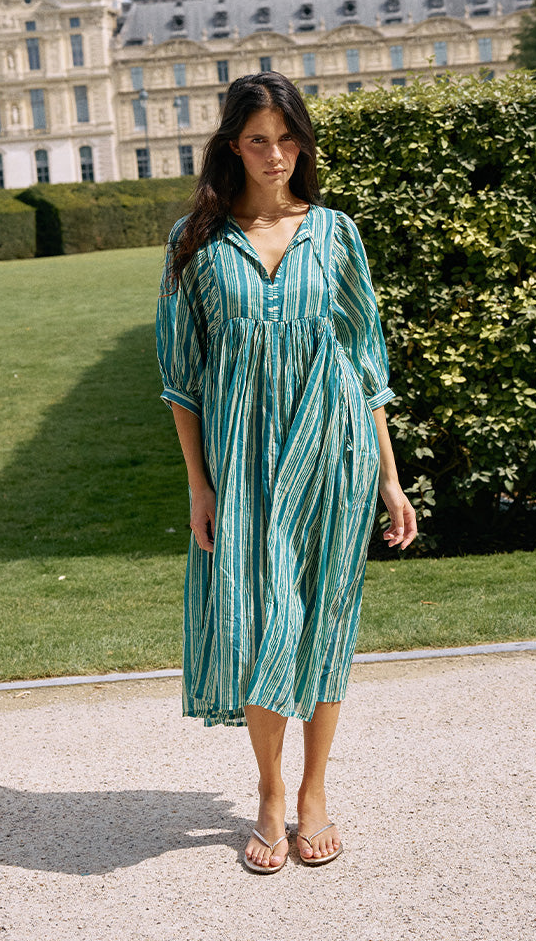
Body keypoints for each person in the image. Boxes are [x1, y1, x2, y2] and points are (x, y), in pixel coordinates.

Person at [156, 71, 417, 874]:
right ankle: (268, 791)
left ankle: (313, 796)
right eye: (259, 139)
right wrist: (199, 485)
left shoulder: (334, 232)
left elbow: (362, 357)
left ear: (302, 144)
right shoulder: (193, 242)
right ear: (233, 146)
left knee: (323, 621)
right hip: (242, 463)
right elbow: (180, 376)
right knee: (259, 618)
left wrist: (389, 476)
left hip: (332, 452)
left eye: (288, 138)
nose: (276, 154)